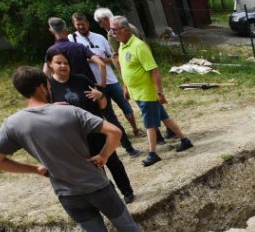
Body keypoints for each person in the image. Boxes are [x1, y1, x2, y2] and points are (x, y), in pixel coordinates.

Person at [0, 66, 160, 232]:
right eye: (48, 85)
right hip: (98, 185)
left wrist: (34, 169)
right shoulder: (69, 112)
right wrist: (104, 155)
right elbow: (114, 132)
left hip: (67, 194)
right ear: (41, 87)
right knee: (127, 227)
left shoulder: (13, 124)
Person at [47, 50, 136, 204]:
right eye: (58, 63)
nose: (63, 66)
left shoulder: (81, 80)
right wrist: (52, 107)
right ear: (50, 64)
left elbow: (102, 106)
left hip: (97, 129)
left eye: (66, 63)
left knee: (113, 161)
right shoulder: (49, 87)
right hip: (75, 137)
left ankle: (127, 191)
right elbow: (44, 113)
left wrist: (100, 96)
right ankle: (111, 197)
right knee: (95, 170)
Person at [111, 15, 193, 167]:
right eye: (111, 30)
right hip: (137, 92)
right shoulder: (122, 46)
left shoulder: (139, 46)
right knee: (164, 118)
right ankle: (185, 140)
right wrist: (126, 87)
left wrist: (159, 92)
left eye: (114, 30)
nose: (112, 33)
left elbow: (154, 70)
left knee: (149, 124)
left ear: (125, 29)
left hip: (147, 93)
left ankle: (152, 153)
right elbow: (126, 70)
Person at [71, 12, 144, 148]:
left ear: (87, 23)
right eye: (78, 24)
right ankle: (122, 139)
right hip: (94, 84)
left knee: (126, 106)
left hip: (111, 80)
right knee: (108, 114)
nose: (81, 26)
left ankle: (135, 129)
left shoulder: (99, 37)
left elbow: (113, 57)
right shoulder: (72, 40)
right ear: (74, 25)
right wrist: (89, 59)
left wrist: (102, 60)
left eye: (83, 24)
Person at [44, 17, 106, 87]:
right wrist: (102, 84)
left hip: (67, 89)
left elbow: (46, 73)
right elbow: (101, 64)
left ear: (51, 31)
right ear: (66, 30)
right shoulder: (79, 47)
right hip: (88, 87)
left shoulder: (51, 50)